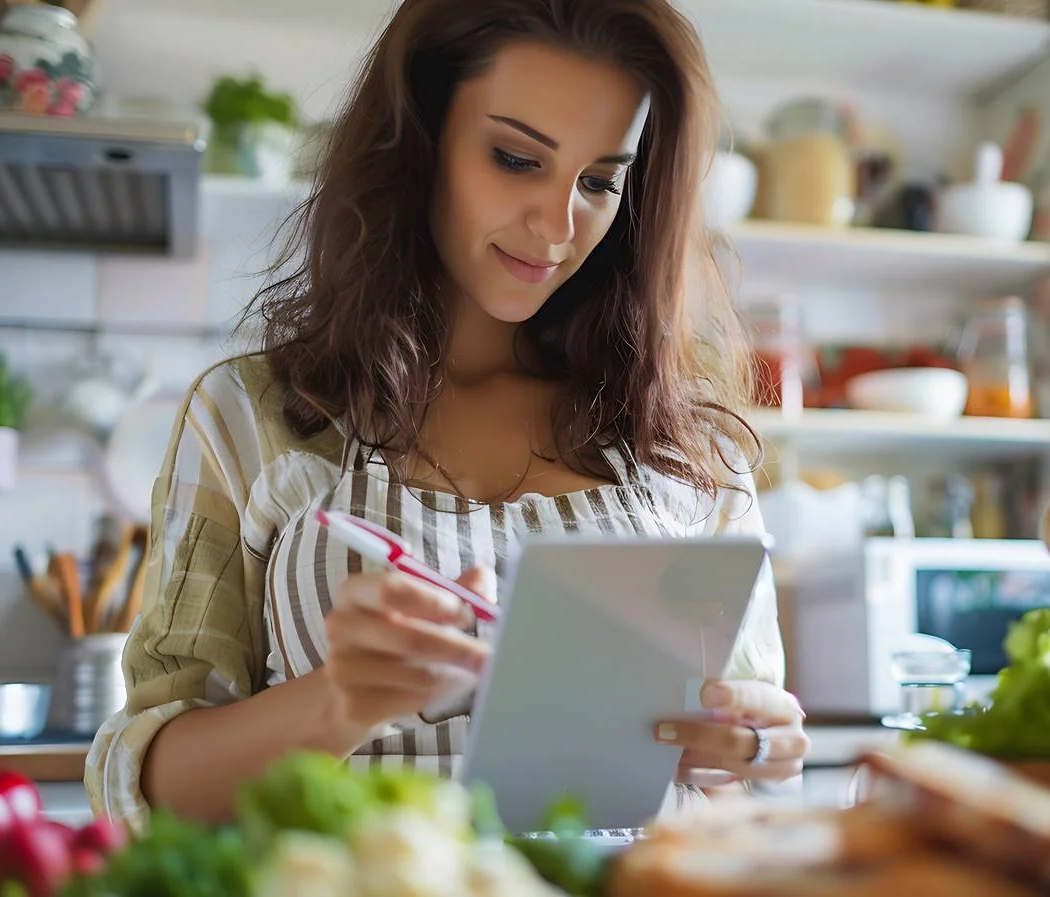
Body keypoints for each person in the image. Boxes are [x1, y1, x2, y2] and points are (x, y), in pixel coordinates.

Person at [84, 0, 809, 829]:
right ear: (419, 143)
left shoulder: (690, 450)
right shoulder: (252, 417)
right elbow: (141, 782)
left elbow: (746, 766)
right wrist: (337, 703)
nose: (559, 225)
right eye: (514, 158)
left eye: (601, 181)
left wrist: (760, 747)